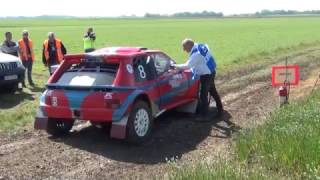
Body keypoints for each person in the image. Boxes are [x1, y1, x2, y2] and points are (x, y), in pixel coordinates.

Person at [174, 39, 223, 121]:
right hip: (211, 71)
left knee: (203, 95)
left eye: (184, 47)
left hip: (206, 75)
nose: (184, 50)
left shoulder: (196, 54)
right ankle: (220, 109)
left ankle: (205, 116)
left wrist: (175, 66)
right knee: (213, 91)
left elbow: (188, 66)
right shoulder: (201, 46)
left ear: (190, 45)